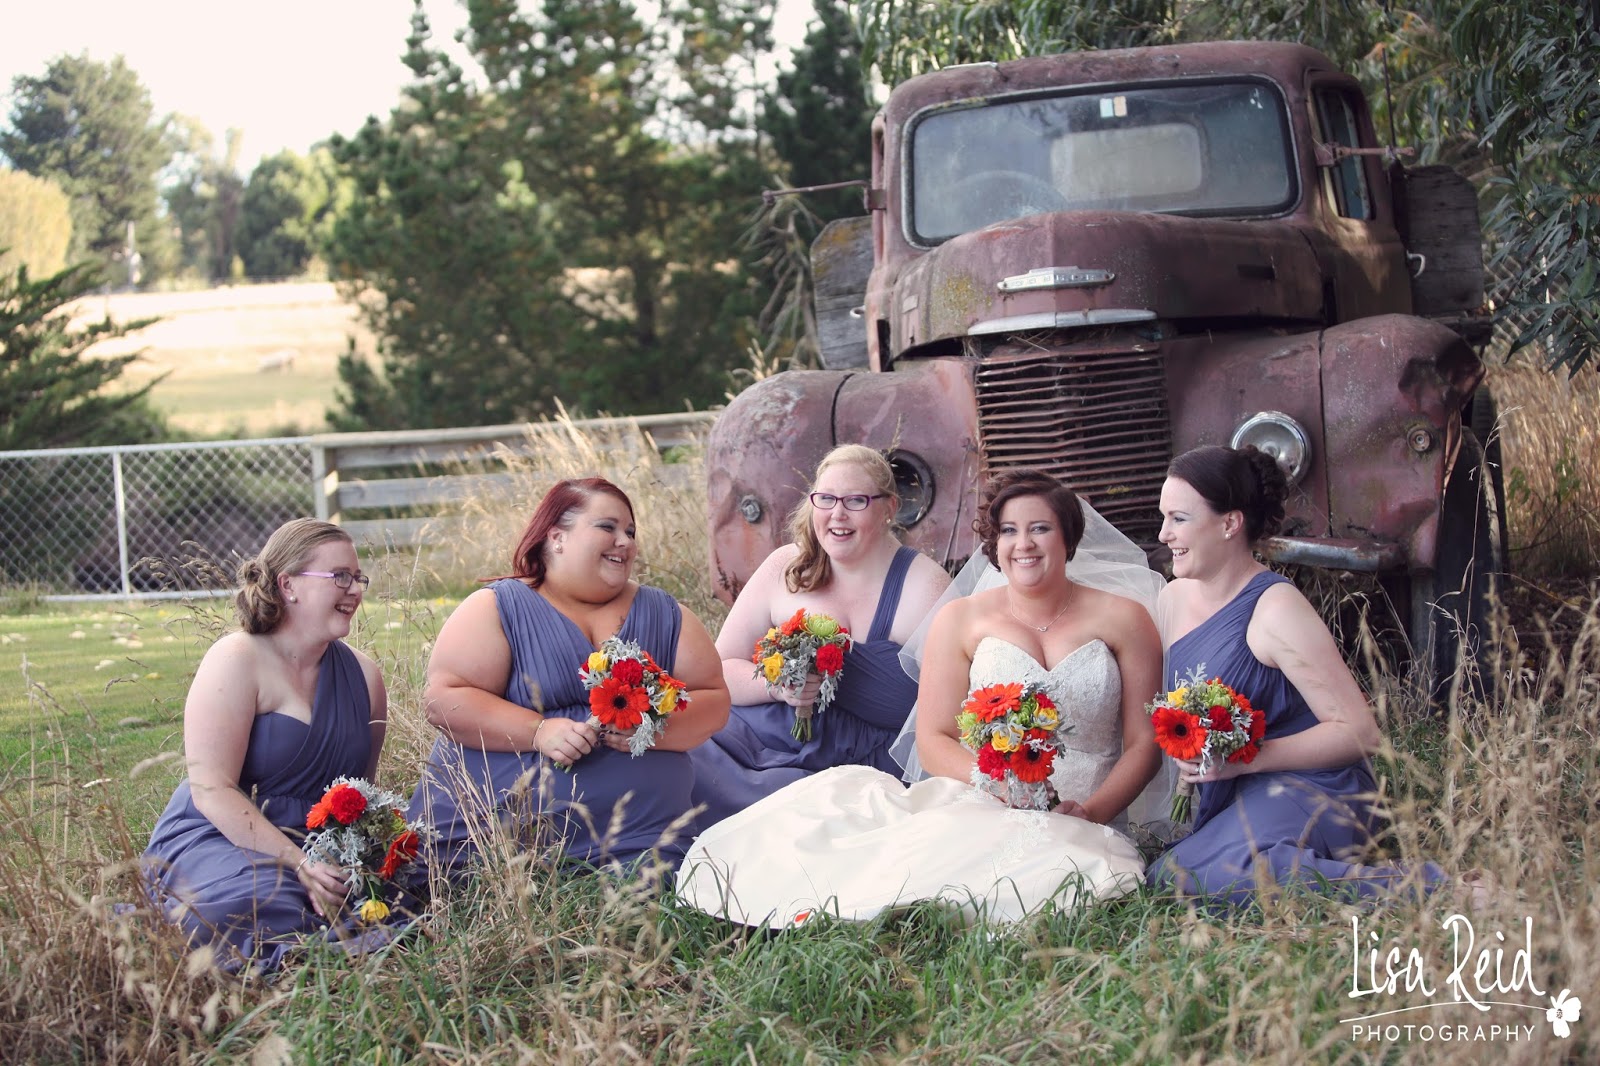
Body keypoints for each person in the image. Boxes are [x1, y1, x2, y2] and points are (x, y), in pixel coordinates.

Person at [676, 471, 1164, 927]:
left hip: (1091, 807)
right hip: (991, 798)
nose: (1024, 544)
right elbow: (933, 738)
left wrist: (1093, 813)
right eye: (1009, 531)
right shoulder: (961, 618)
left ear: (1068, 538)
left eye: (1041, 528)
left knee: (1071, 880)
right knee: (905, 874)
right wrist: (998, 787)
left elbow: (1145, 743)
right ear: (994, 543)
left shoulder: (1125, 618)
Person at [1145, 445, 1449, 905]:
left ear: (1230, 523)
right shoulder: (1172, 598)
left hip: (1315, 785)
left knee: (1219, 874)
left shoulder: (1275, 609)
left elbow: (1360, 733)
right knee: (1168, 875)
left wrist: (1246, 759)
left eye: (1179, 519)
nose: (1163, 534)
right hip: (1239, 789)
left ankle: (1424, 887)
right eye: (1164, 517)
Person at [409, 477, 729, 878]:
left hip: (644, 841)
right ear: (556, 537)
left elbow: (714, 698)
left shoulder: (666, 613)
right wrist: (538, 731)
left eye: (630, 532)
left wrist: (652, 732)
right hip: (508, 839)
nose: (625, 542)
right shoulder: (497, 607)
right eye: (607, 527)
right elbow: (444, 698)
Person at [140, 518, 389, 972]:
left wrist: (361, 859)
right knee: (245, 902)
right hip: (219, 836)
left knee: (394, 886)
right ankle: (305, 948)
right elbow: (211, 789)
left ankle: (329, 936)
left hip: (318, 845)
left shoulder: (366, 677)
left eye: (358, 578)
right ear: (288, 585)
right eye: (339, 576)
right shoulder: (237, 659)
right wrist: (299, 864)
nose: (355, 590)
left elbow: (362, 794)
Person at [688, 445, 951, 829]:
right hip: (763, 740)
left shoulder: (925, 587)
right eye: (826, 499)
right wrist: (777, 687)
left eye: (856, 501)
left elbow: (953, 708)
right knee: (676, 765)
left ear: (889, 508)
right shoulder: (784, 566)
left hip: (864, 773)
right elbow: (720, 669)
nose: (837, 514)